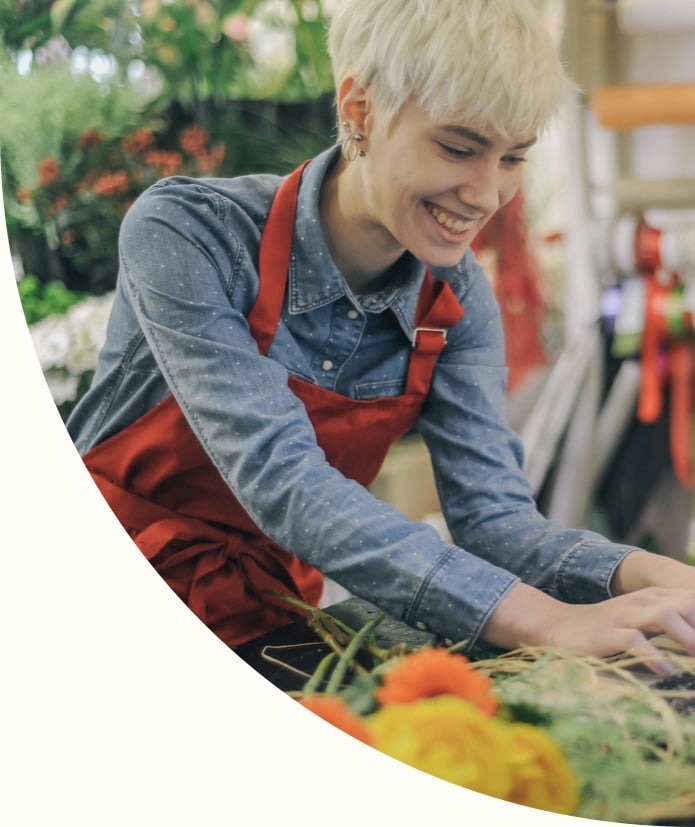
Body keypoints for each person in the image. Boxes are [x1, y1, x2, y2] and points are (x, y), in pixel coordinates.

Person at [67, 0, 695, 676]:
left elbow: (496, 521)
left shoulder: (455, 302)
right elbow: (283, 478)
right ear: (360, 110)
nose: (487, 193)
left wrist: (659, 577)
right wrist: (550, 619)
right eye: (458, 147)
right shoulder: (189, 234)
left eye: (512, 157)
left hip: (271, 616)